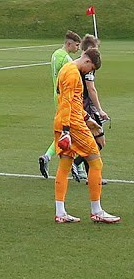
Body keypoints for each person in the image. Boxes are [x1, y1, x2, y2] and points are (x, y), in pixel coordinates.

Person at [52, 47, 119, 223]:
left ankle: (60, 212)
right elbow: (67, 102)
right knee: (96, 162)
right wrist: (67, 130)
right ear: (88, 61)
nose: (90, 72)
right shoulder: (73, 74)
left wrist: (88, 118)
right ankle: (97, 210)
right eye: (92, 69)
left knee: (65, 164)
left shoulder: (66, 69)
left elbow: (71, 102)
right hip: (72, 124)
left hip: (63, 120)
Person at [39, 31, 81, 178]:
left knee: (66, 131)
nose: (78, 48)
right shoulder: (67, 59)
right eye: (76, 45)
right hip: (66, 98)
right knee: (72, 131)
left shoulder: (55, 54)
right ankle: (77, 167)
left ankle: (47, 157)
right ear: (69, 44)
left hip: (57, 97)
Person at [72, 34, 110, 183]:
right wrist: (99, 110)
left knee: (93, 140)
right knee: (98, 141)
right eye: (96, 48)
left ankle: (90, 176)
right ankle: (77, 164)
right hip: (85, 107)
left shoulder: (78, 65)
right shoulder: (86, 67)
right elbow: (91, 89)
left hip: (81, 107)